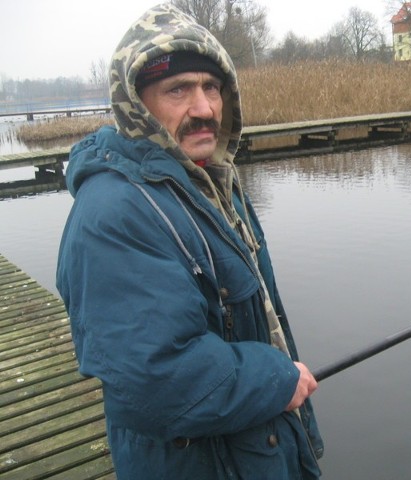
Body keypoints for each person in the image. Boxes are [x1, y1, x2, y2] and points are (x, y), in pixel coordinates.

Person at [56, 4, 323, 479]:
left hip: (252, 452)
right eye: (178, 89)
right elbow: (155, 380)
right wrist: (277, 378)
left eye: (212, 87)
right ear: (136, 104)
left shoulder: (210, 182)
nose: (203, 109)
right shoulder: (112, 215)